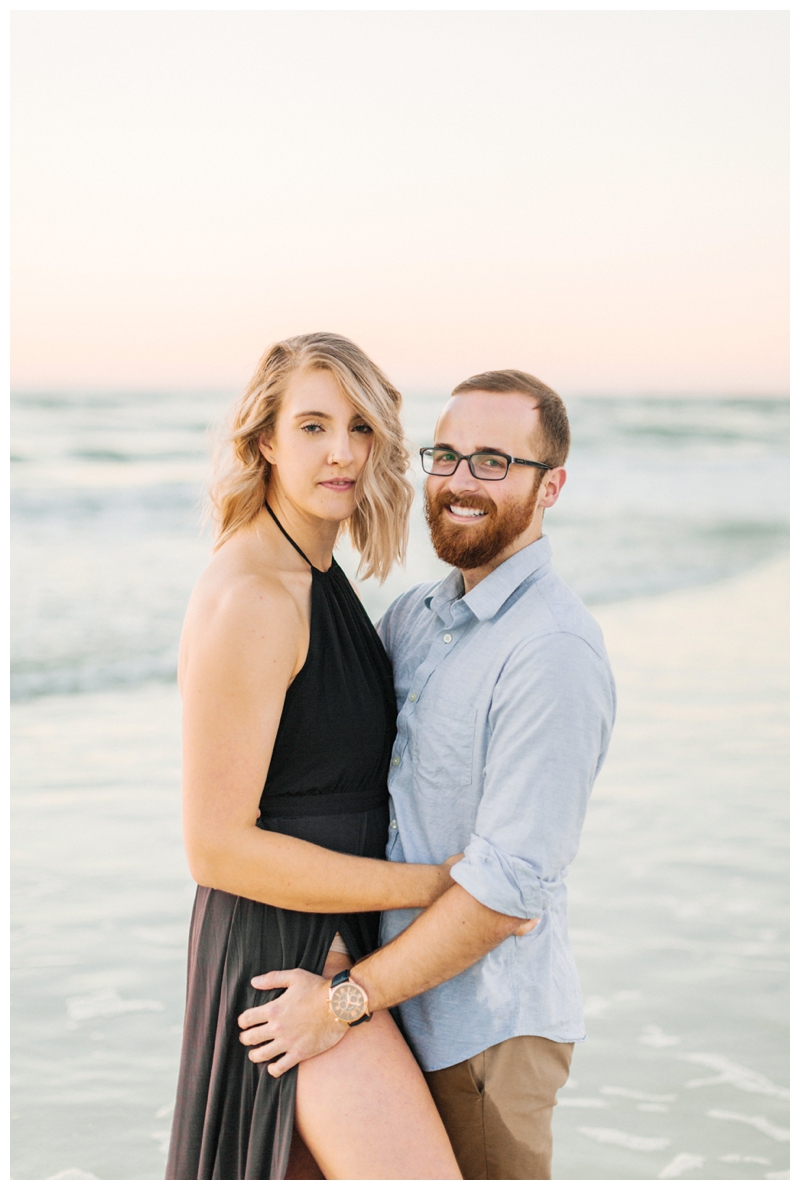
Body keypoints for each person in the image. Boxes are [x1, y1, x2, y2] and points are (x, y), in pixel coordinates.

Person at [237, 369, 617, 1179]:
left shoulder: (551, 653)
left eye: (493, 461)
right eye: (446, 456)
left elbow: (505, 888)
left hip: (483, 1034)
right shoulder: (415, 620)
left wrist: (341, 1005)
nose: (459, 483)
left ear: (551, 485)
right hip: (389, 1006)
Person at [165, 332, 464, 1180]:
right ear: (264, 440)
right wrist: (438, 885)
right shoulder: (258, 593)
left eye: (361, 427)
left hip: (330, 950)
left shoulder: (312, 573)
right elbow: (215, 846)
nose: (343, 451)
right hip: (289, 967)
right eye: (312, 426)